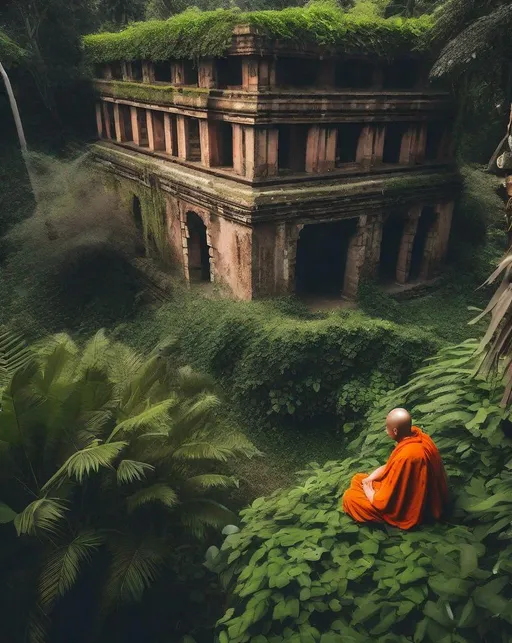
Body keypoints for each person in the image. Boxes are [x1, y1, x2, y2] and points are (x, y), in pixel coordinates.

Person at [341, 408, 448, 530]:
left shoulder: (407, 456)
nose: (386, 431)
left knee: (349, 498)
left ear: (395, 431)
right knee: (358, 478)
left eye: (387, 428)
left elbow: (383, 502)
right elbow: (390, 466)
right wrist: (369, 479)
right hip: (408, 488)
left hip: (408, 505)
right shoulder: (417, 436)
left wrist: (368, 488)